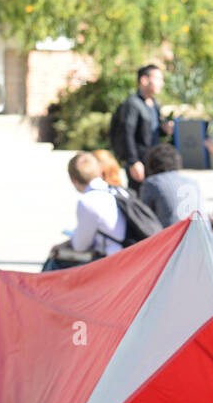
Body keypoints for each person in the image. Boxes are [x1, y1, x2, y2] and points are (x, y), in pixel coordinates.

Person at [43, 152, 126, 271]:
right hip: (127, 255)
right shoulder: (117, 191)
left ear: (72, 179)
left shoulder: (89, 201)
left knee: (54, 262)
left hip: (111, 262)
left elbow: (80, 246)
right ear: (99, 171)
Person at [109, 64, 171, 193]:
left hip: (153, 161)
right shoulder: (132, 103)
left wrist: (164, 130)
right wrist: (133, 161)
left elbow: (149, 132)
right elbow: (128, 133)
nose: (162, 83)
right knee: (138, 199)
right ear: (144, 80)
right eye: (158, 79)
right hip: (139, 162)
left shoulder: (154, 104)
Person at [139, 142, 201, 227]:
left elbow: (143, 218)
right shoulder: (193, 182)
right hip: (199, 236)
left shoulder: (152, 183)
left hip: (171, 237)